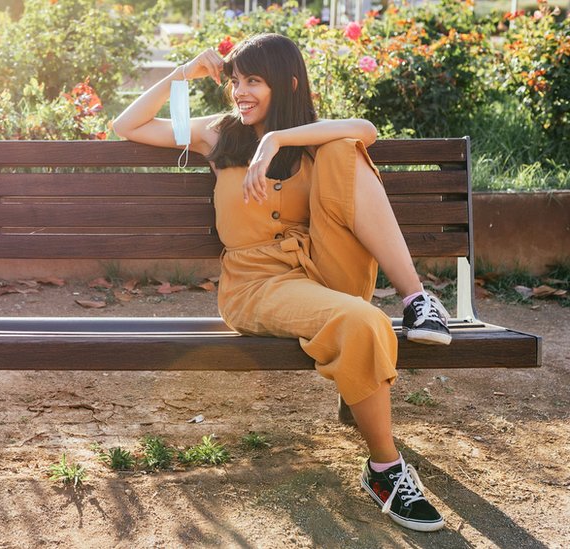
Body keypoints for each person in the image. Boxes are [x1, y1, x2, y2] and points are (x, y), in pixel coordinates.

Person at [113, 33, 449, 532]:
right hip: (257, 283)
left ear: (287, 84)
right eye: (236, 81)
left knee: (342, 148)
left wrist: (280, 138)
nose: (240, 92)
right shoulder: (218, 133)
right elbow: (126, 125)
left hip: (324, 266)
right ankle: (385, 469)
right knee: (362, 321)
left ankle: (417, 299)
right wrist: (183, 73)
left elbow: (367, 128)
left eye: (255, 81)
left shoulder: (311, 138)